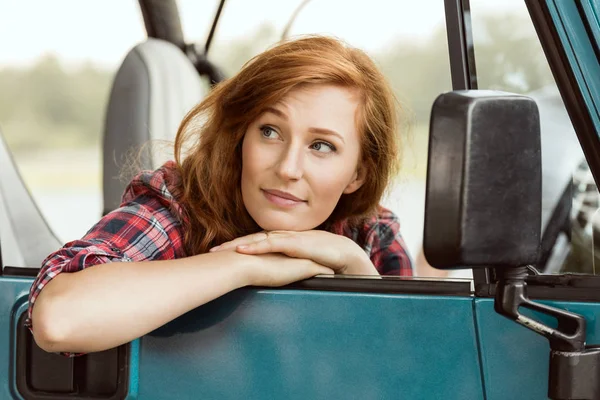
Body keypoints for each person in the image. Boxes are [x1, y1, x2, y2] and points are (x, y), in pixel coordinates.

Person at [28, 35, 413, 356]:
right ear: (241, 135)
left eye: (322, 146)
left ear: (358, 174)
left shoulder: (370, 235)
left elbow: (414, 368)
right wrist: (247, 265)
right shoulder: (180, 204)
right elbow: (59, 319)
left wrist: (356, 268)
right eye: (270, 131)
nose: (288, 168)